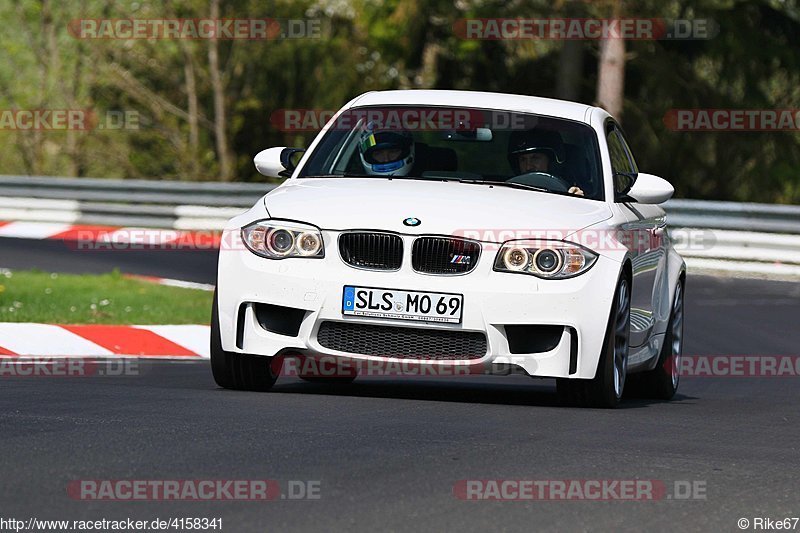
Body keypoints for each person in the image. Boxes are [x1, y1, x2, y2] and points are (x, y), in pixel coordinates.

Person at [508, 129, 584, 196]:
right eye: (523, 159)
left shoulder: (566, 192)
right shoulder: (508, 193)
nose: (528, 167)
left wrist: (575, 199)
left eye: (535, 158)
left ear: (551, 161)